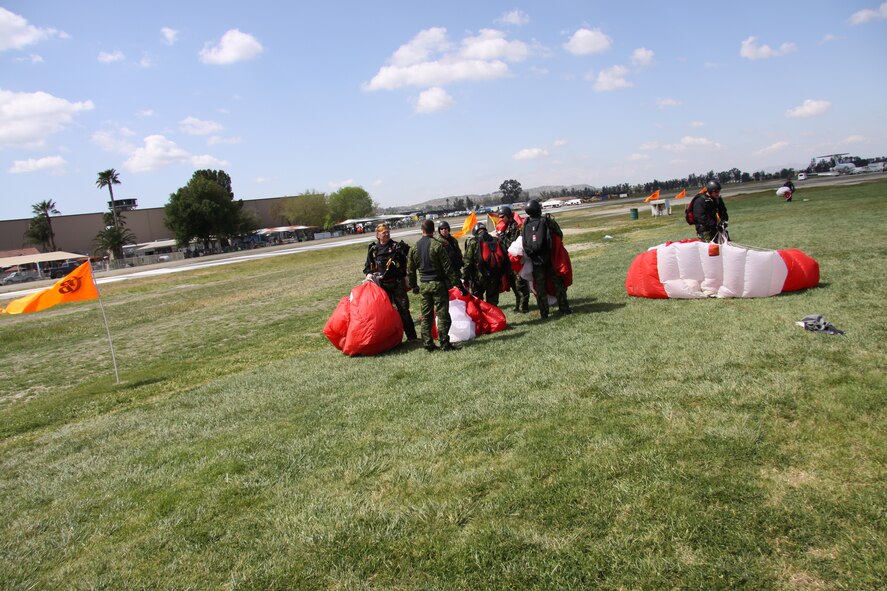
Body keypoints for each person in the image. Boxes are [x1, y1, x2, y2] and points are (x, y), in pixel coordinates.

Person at [407, 219, 465, 352]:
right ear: (433, 230)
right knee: (443, 315)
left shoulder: (414, 248)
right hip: (438, 284)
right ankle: (444, 343)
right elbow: (448, 268)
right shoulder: (438, 245)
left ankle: (428, 344)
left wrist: (414, 286)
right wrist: (459, 285)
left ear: (422, 230)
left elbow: (410, 270)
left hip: (424, 285)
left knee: (426, 316)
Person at [363, 223, 417, 341]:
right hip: (382, 287)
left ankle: (412, 337)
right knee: (384, 314)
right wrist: (369, 275)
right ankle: (389, 340)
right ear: (377, 235)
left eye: (388, 232)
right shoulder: (373, 250)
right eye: (384, 232)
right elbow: (368, 267)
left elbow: (412, 256)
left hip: (397, 285)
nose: (386, 234)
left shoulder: (397, 247)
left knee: (404, 311)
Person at [522, 199, 571, 318]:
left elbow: (524, 241)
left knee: (540, 288)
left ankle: (544, 313)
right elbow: (559, 234)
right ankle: (564, 309)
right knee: (558, 283)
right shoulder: (547, 221)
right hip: (549, 259)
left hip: (535, 260)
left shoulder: (526, 224)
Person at [495, 205, 530, 313]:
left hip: (517, 259)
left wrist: (502, 238)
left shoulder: (515, 227)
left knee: (521, 284)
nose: (501, 219)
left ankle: (524, 307)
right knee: (514, 285)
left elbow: (514, 245)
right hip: (509, 261)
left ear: (508, 216)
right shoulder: (506, 227)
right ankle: (518, 305)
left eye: (502, 217)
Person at [463, 222, 507, 306]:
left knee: (478, 301)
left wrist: (465, 277)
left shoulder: (473, 242)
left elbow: (467, 261)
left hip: (479, 277)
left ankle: (481, 318)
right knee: (493, 302)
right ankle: (493, 317)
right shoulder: (496, 240)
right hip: (494, 276)